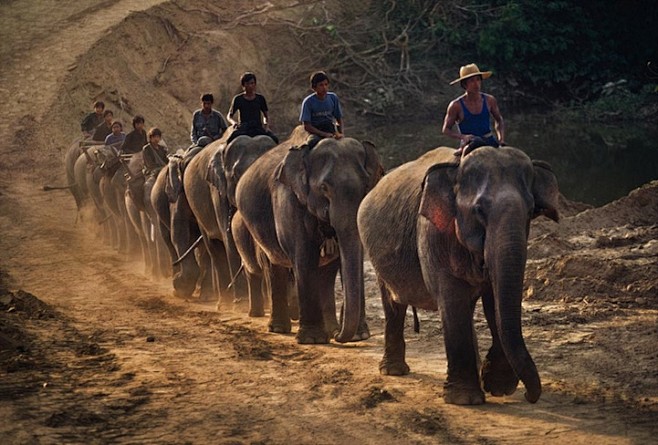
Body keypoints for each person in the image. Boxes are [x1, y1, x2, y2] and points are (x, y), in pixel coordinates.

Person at [442, 63, 505, 156]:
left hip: (489, 140)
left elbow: (499, 120)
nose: (476, 84)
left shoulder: (489, 100)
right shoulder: (456, 105)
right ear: (464, 84)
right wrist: (463, 137)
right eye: (472, 81)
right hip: (470, 143)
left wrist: (501, 139)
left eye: (478, 80)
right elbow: (446, 129)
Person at [226, 72, 279, 144]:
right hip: (243, 129)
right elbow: (229, 116)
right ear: (243, 85)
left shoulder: (260, 98)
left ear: (255, 84)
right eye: (247, 84)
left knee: (275, 140)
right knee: (228, 142)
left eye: (252, 83)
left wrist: (266, 125)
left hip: (257, 128)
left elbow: (266, 116)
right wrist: (234, 123)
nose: (250, 86)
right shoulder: (238, 99)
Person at [299, 71, 343, 149]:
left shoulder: (333, 98)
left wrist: (340, 133)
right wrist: (323, 134)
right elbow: (307, 126)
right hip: (316, 132)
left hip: (330, 129)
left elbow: (338, 118)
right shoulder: (308, 102)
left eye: (326, 84)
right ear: (314, 87)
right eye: (321, 85)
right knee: (311, 143)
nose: (324, 88)